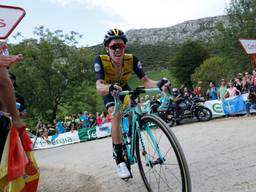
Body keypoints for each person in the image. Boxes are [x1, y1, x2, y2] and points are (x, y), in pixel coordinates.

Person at [94, 28, 170, 179]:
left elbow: (146, 81)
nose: (117, 50)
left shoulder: (132, 59)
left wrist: (160, 83)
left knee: (137, 108)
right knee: (115, 114)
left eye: (120, 46)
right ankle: (120, 159)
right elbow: (98, 86)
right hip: (109, 90)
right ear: (107, 49)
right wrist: (108, 88)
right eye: (113, 46)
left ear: (124, 47)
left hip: (124, 88)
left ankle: (131, 135)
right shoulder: (100, 60)